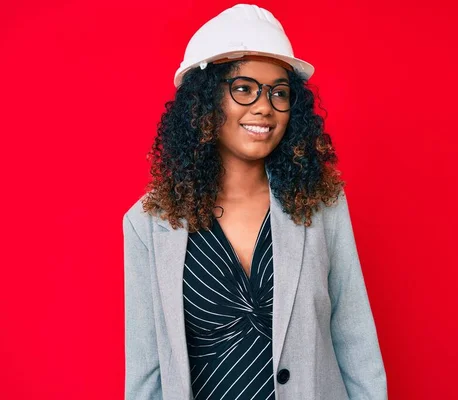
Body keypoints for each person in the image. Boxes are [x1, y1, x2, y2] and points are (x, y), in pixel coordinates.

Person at [123, 4, 387, 400]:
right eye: (243, 88)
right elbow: (146, 370)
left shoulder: (320, 207)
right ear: (204, 102)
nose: (264, 106)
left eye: (278, 93)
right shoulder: (148, 223)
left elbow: (356, 340)